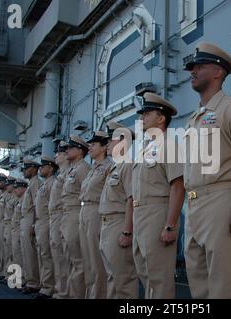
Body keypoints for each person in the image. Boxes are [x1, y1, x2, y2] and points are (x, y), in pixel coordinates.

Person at [183, 42, 231, 298]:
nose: (192, 71)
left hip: (221, 201)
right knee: (199, 285)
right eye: (192, 67)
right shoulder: (192, 119)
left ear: (218, 72)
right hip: (194, 204)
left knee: (224, 285)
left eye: (199, 66)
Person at [132, 92, 185, 298]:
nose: (141, 117)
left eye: (146, 113)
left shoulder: (169, 145)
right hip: (140, 214)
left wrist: (170, 225)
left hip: (157, 213)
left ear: (161, 118)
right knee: (145, 273)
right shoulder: (146, 148)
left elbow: (177, 186)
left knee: (159, 277)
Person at [99, 121, 138, 299]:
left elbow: (131, 200)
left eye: (110, 140)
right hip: (107, 224)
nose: (107, 144)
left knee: (123, 280)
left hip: (119, 223)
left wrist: (127, 231)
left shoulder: (128, 165)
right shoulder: (115, 166)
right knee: (112, 277)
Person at [79, 131, 113, 299]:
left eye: (94, 144)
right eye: (89, 144)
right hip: (84, 211)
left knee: (97, 261)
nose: (90, 147)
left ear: (104, 147)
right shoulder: (92, 169)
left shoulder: (108, 166)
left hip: (96, 212)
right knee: (87, 260)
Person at [61, 136, 91, 298]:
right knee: (69, 258)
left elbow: (86, 194)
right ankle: (71, 293)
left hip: (75, 214)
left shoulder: (83, 169)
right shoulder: (73, 169)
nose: (67, 150)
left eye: (70, 148)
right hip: (66, 215)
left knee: (78, 260)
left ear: (79, 151)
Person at [34, 156, 58, 299]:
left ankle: (49, 287)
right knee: (42, 254)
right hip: (40, 222)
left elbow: (52, 205)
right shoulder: (44, 184)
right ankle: (45, 285)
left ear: (50, 168)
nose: (40, 169)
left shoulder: (52, 183)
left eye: (43, 166)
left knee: (47, 255)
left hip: (47, 221)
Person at [48, 141, 70, 299]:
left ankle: (64, 292)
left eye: (60, 153)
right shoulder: (61, 175)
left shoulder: (71, 172)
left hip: (64, 215)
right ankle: (58, 289)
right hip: (54, 217)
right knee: (56, 255)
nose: (56, 155)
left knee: (64, 257)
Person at [20, 159, 41, 294]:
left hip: (31, 219)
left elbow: (37, 205)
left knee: (31, 253)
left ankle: (33, 282)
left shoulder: (36, 183)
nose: (24, 170)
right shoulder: (31, 184)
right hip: (26, 219)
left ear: (34, 169)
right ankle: (30, 280)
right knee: (26, 253)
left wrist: (35, 223)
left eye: (27, 168)